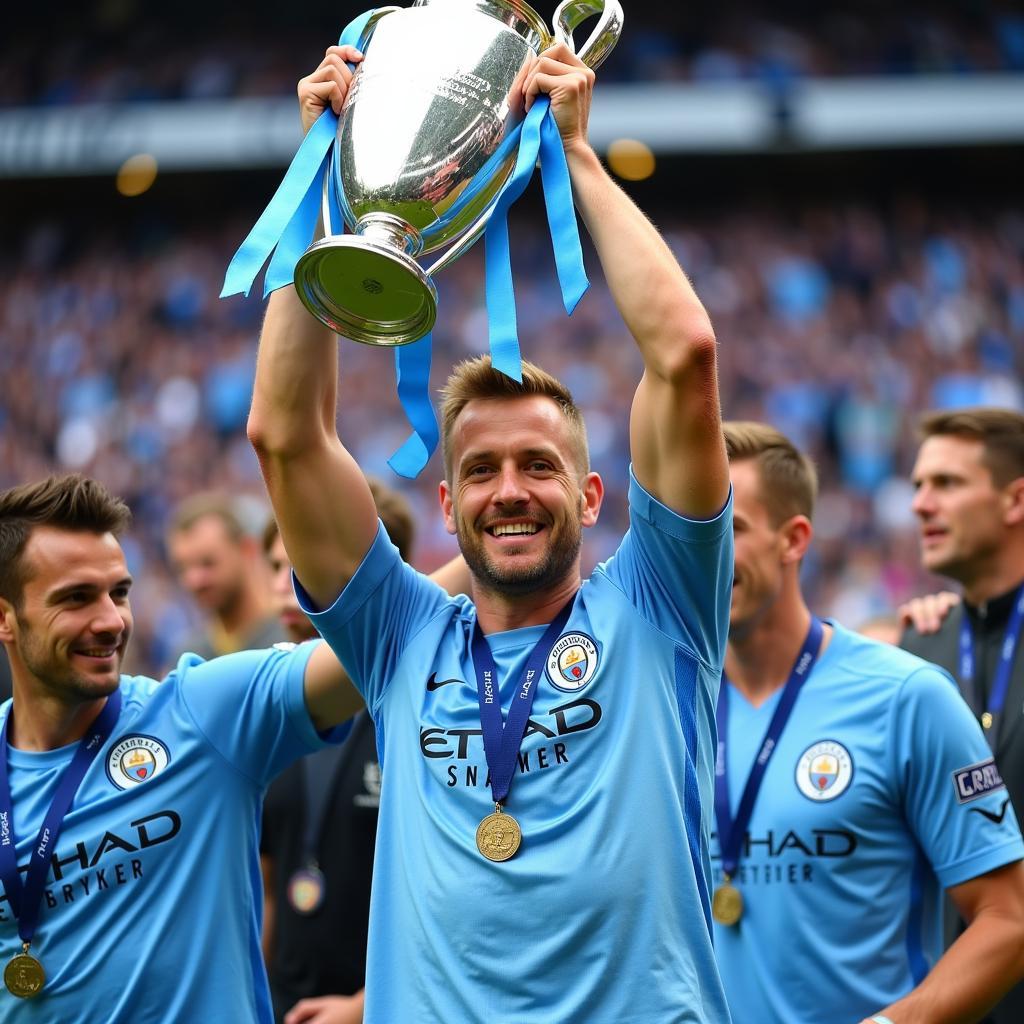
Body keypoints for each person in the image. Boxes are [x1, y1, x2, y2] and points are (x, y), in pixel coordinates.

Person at [247, 41, 734, 1024]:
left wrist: (579, 159)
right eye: (480, 470)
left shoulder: (660, 605)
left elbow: (682, 356)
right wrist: (328, 196)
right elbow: (285, 435)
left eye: (538, 466)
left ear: (594, 496)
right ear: (447, 504)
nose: (509, 490)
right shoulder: (400, 638)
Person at [0, 474, 363, 1022]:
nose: (111, 621)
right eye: (75, 598)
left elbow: (386, 641)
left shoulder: (199, 714)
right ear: (4, 617)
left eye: (118, 592)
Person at [713, 420, 1024, 1024]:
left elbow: (1009, 917)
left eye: (729, 528)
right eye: (688, 531)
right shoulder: (660, 703)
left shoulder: (906, 693)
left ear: (794, 539)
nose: (703, 553)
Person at [261, 478, 467, 1024]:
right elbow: (266, 891)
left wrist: (360, 1007)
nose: (285, 587)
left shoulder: (437, 702)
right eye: (275, 567)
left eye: (299, 565)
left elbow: (461, 896)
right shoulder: (262, 709)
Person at [901, 407, 1024, 1024]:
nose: (921, 504)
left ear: (1015, 500)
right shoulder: (917, 645)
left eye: (946, 484)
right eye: (918, 486)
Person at [167, 490, 280, 660]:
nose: (194, 580)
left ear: (247, 551)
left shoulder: (292, 638)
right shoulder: (189, 658)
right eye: (182, 568)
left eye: (208, 563)